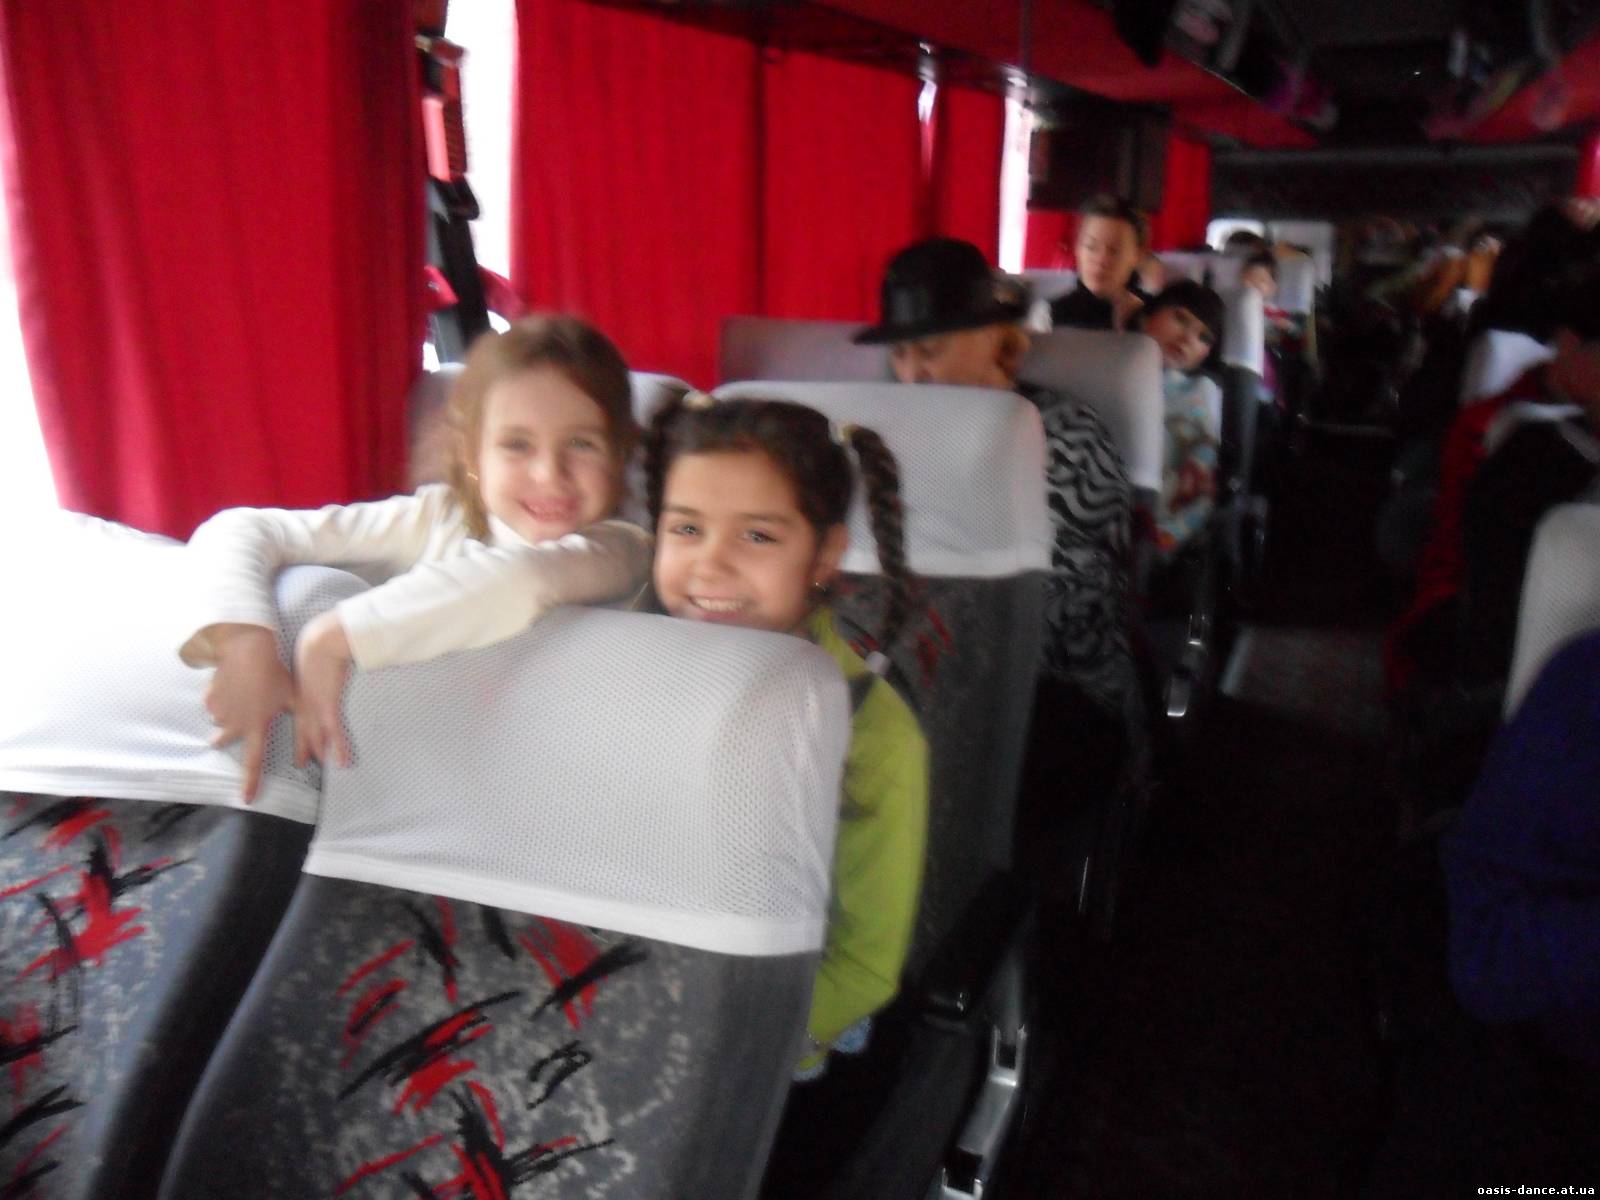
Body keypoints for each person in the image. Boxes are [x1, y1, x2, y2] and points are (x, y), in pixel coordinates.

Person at [181, 316, 653, 800]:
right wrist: (244, 642)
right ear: (472, 455)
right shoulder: (437, 518)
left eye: (581, 444)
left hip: (545, 788)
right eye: (517, 444)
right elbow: (242, 527)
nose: (550, 474)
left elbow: (522, 580)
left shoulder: (624, 550)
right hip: (413, 781)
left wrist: (331, 637)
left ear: (619, 456)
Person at [642, 391, 928, 1082]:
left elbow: (863, 967)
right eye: (686, 529)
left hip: (770, 1038)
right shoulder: (631, 674)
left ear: (825, 554)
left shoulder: (874, 735)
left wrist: (703, 1057)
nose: (710, 566)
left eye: (758, 536)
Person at [1137, 281, 1224, 562]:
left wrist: (1156, 540)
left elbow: (1200, 483)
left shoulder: (1199, 393)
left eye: (1203, 337)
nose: (1187, 339)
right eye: (1181, 319)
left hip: (1145, 528)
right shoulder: (1101, 364)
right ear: (1147, 317)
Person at [1049, 194, 1151, 331]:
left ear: (1138, 256)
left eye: (1114, 251)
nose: (1101, 260)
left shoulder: (1154, 315)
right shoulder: (1049, 316)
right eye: (1091, 247)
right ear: (1077, 248)